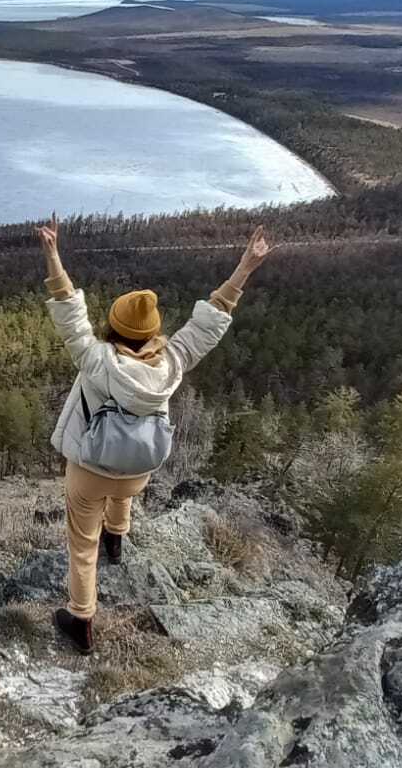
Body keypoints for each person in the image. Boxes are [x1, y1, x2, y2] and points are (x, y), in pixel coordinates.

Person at [36, 215, 271, 654]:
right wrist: (245, 267)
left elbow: (68, 309)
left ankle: (82, 620)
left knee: (81, 545)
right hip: (140, 467)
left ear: (113, 327)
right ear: (153, 331)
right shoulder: (172, 363)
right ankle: (118, 538)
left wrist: (52, 253)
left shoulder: (97, 361)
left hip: (89, 470)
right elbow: (210, 321)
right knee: (123, 480)